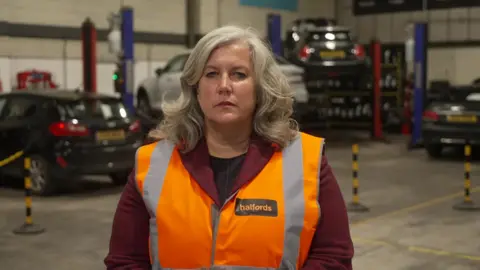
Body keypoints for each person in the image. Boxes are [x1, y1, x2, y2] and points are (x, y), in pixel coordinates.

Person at [105, 25, 354, 270]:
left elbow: (334, 258)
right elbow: (125, 261)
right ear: (196, 88)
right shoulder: (151, 164)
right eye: (211, 74)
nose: (224, 85)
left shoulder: (306, 160)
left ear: (260, 88)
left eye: (239, 74)